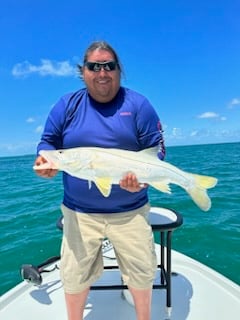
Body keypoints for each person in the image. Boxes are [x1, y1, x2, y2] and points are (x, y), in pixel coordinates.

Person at [34, 41, 165, 320]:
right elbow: (48, 143)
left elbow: (157, 148)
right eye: (94, 66)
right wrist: (44, 161)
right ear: (83, 71)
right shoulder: (67, 105)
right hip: (79, 212)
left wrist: (143, 181)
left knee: (141, 271)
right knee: (74, 273)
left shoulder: (138, 104)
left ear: (119, 70)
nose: (102, 72)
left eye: (109, 66)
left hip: (130, 210)